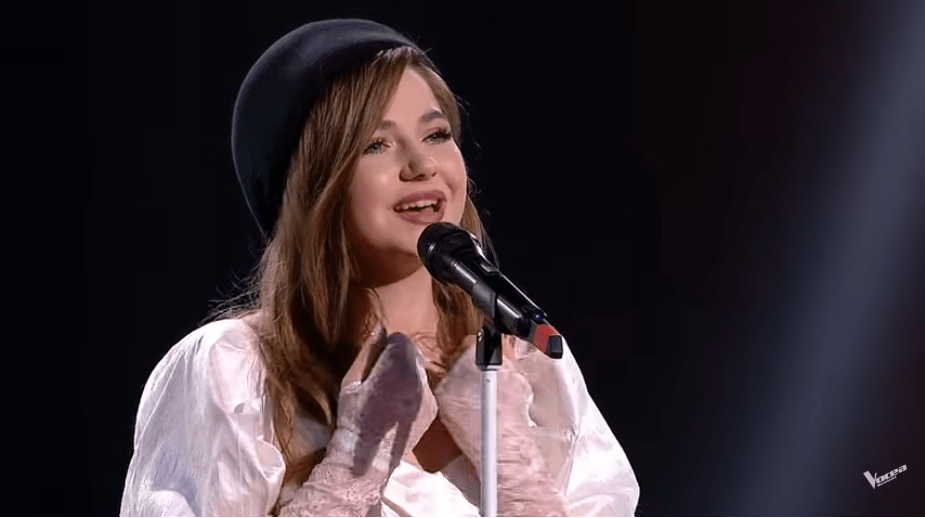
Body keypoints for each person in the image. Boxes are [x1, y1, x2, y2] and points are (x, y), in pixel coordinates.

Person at [120, 18, 640, 517]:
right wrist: (350, 470)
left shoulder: (526, 366)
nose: (422, 165)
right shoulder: (234, 371)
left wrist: (516, 474)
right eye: (376, 144)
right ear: (311, 188)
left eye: (436, 135)